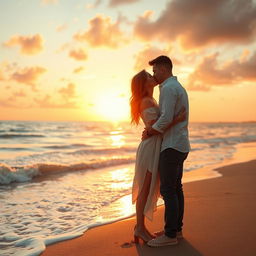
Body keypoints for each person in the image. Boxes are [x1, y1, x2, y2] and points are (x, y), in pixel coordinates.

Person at [130, 69, 186, 244]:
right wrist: (177, 119)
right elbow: (156, 127)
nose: (152, 77)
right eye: (148, 76)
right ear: (143, 84)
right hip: (150, 148)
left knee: (149, 187)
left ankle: (142, 227)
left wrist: (149, 130)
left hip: (154, 145)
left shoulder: (151, 99)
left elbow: (152, 128)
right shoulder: (146, 101)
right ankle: (139, 228)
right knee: (145, 189)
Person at [141, 56, 190, 247]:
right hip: (180, 144)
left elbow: (164, 118)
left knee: (169, 189)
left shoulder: (169, 88)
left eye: (155, 71)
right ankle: (176, 230)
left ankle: (170, 235)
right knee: (176, 188)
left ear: (163, 69)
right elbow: (170, 117)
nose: (154, 74)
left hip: (171, 145)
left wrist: (150, 131)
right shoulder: (177, 87)